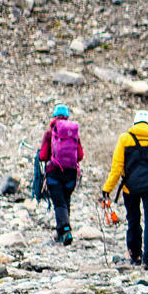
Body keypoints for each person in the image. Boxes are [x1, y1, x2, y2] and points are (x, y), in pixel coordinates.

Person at [103, 112, 148, 270]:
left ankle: (135, 255)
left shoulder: (125, 139)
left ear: (135, 123)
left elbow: (116, 168)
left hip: (130, 188)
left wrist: (107, 189)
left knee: (133, 220)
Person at [37, 104, 84, 245]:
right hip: (71, 174)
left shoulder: (50, 133)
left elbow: (43, 156)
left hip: (54, 173)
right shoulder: (73, 134)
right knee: (65, 202)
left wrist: (39, 153)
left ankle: (65, 230)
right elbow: (80, 155)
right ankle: (61, 233)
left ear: (54, 116)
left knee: (59, 204)